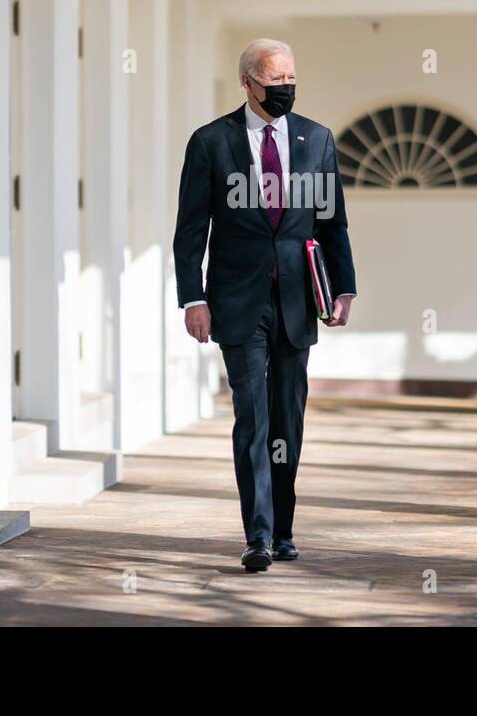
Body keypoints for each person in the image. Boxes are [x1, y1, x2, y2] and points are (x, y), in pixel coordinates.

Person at [172, 38, 356, 572]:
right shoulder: (211, 142)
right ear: (248, 83)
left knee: (287, 420)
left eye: (291, 79)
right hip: (237, 302)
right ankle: (257, 536)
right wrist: (193, 298)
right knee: (252, 416)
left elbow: (332, 221)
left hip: (298, 300)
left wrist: (343, 287)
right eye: (276, 82)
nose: (286, 90)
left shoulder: (317, 139)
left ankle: (284, 527)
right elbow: (190, 229)